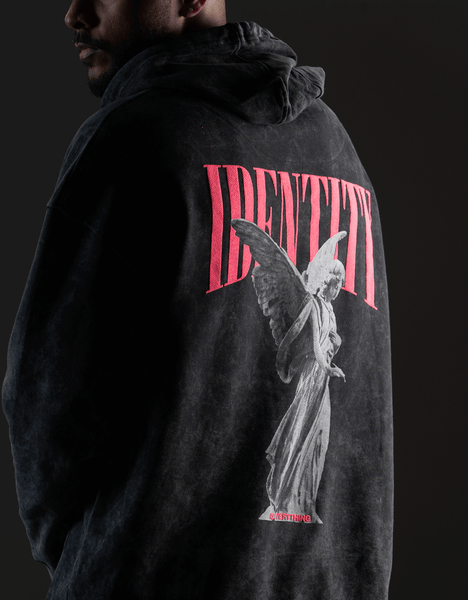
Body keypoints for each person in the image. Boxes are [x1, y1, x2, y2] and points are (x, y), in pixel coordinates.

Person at [2, 1, 393, 599]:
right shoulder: (338, 149)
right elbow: (371, 423)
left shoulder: (134, 138)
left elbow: (45, 398)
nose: (74, 13)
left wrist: (90, 562)